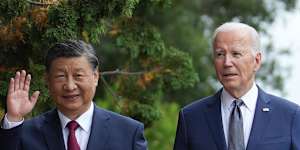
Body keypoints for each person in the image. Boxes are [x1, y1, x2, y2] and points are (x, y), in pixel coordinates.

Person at [0, 40, 147, 150]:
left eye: (78, 75)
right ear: (48, 80)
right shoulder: (25, 133)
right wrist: (14, 118)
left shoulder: (128, 133)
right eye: (60, 76)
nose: (70, 86)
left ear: (95, 77)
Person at [173, 22, 300, 150]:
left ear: (256, 61)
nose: (227, 63)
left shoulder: (291, 116)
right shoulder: (191, 118)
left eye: (236, 54)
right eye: (220, 54)